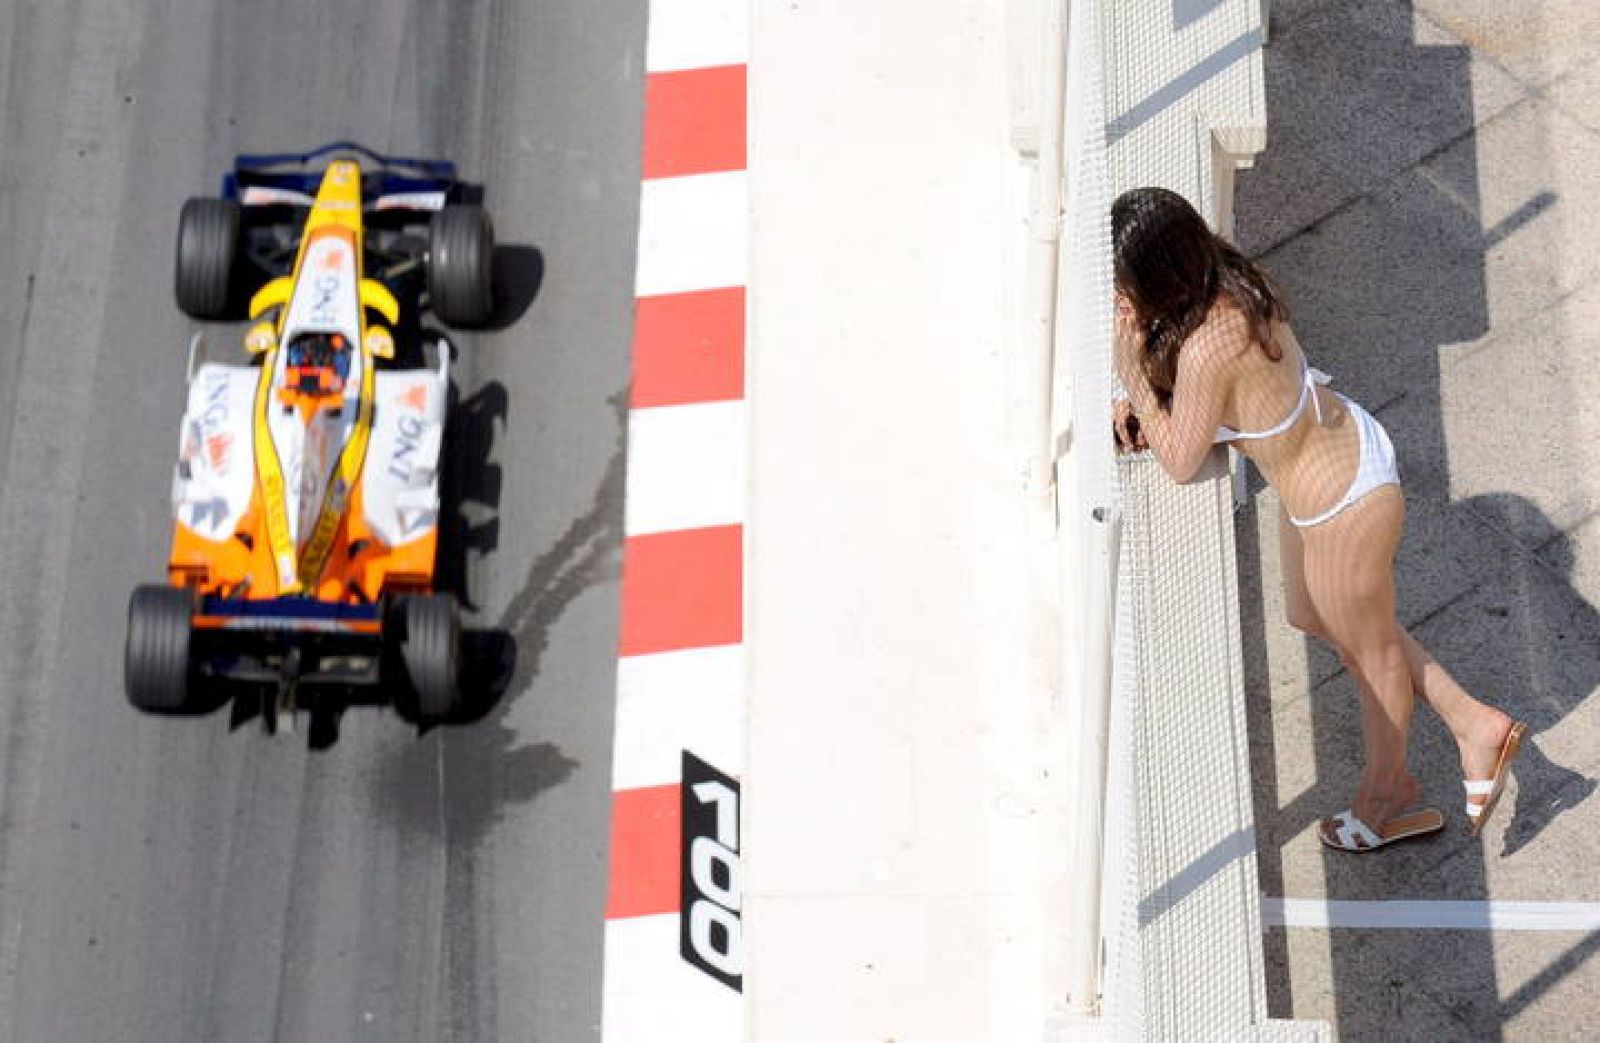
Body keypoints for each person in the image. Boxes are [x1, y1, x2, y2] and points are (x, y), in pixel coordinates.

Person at [1108, 186, 1525, 852]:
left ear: (1157, 276)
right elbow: (1213, 407)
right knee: (1311, 614)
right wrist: (1153, 400)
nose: (1119, 296)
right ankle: (1474, 722)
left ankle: (1387, 796)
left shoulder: (1207, 349)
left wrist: (1132, 375)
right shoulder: (1227, 276)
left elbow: (1181, 460)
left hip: (1342, 508)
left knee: (1370, 659)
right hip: (1339, 458)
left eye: (1125, 283)